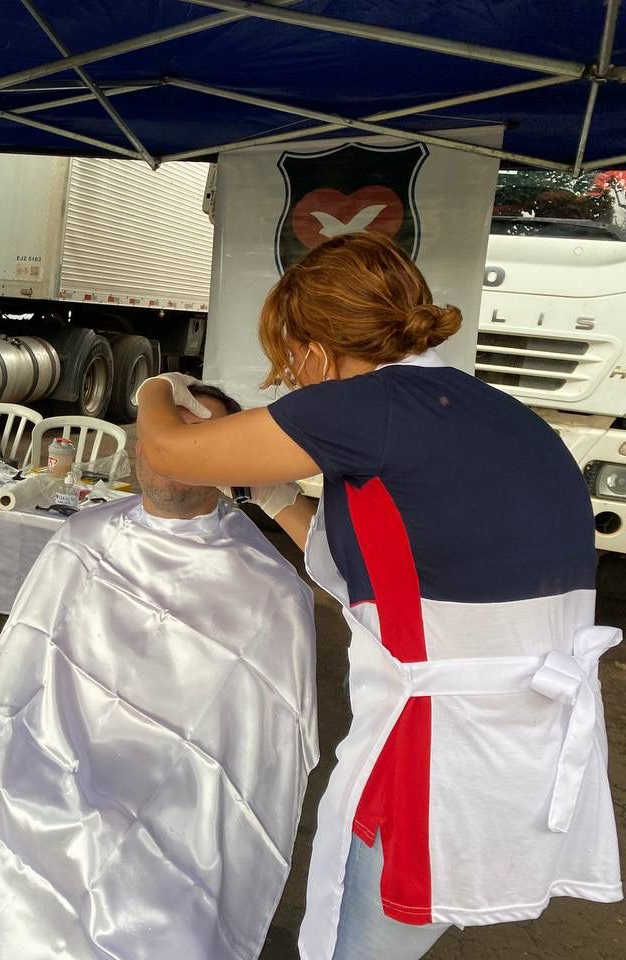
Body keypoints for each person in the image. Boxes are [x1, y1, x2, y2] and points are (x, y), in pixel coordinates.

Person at [135, 231, 622, 960]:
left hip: (436, 764)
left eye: (290, 359)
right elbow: (384, 580)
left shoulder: (370, 407)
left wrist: (157, 387)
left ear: (316, 347)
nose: (291, 381)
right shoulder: (494, 414)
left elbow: (169, 451)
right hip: (518, 749)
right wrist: (272, 495)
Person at [0, 385, 318, 960]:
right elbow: (18, 684)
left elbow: (258, 758)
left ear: (229, 458)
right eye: (164, 433)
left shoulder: (270, 591)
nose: (170, 451)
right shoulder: (84, 537)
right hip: (46, 761)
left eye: (197, 437)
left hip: (173, 808)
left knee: (134, 912)